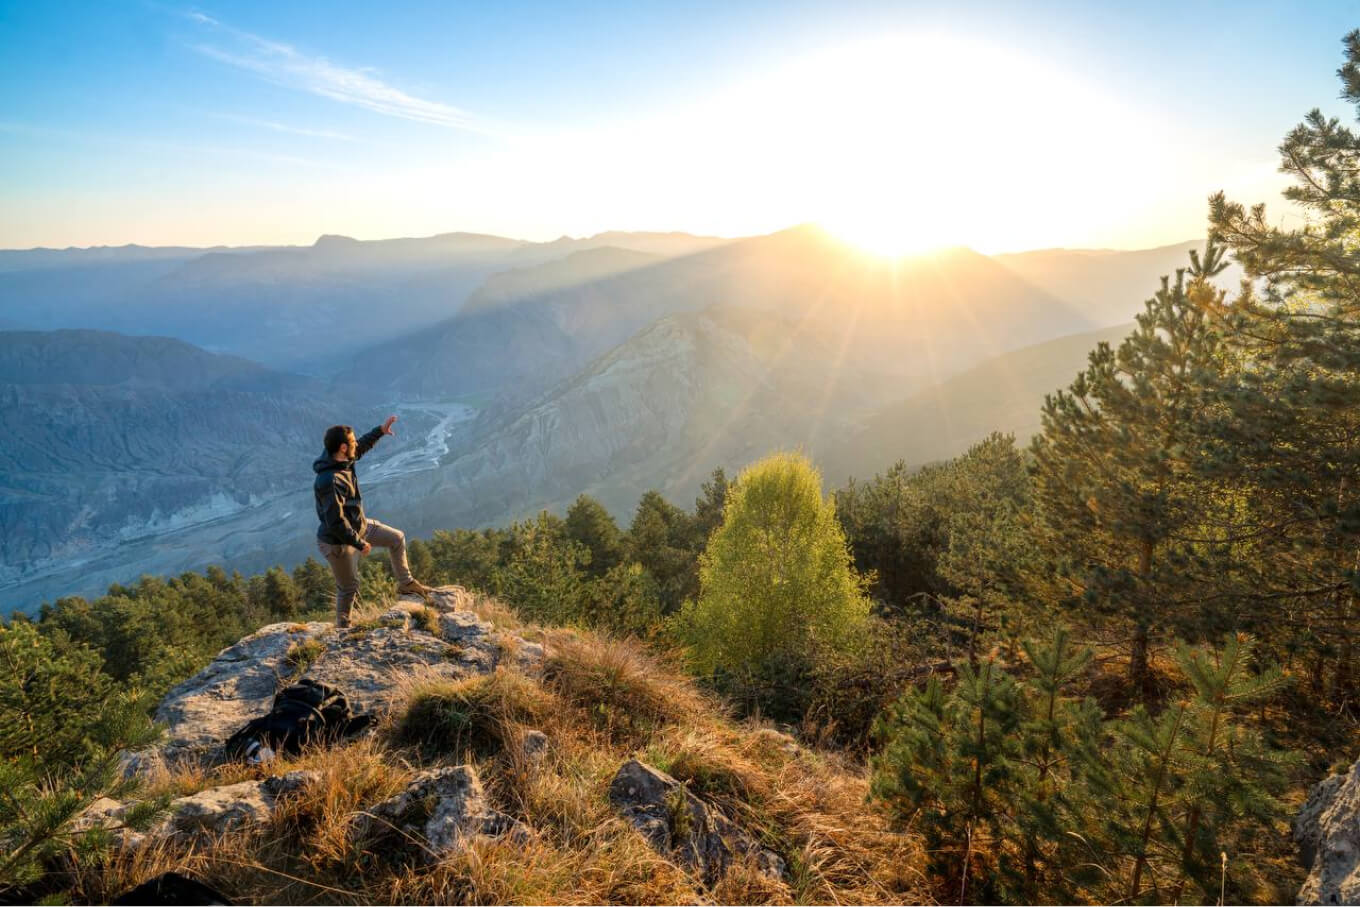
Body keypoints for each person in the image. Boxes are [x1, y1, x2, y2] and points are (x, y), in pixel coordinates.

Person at [313, 416, 432, 627]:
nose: (355, 445)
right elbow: (336, 522)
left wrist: (380, 431)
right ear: (342, 448)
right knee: (349, 588)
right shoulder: (329, 481)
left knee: (397, 538)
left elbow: (359, 448)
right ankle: (342, 630)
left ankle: (406, 584)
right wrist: (359, 544)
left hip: (360, 526)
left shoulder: (341, 458)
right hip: (338, 541)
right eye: (351, 442)